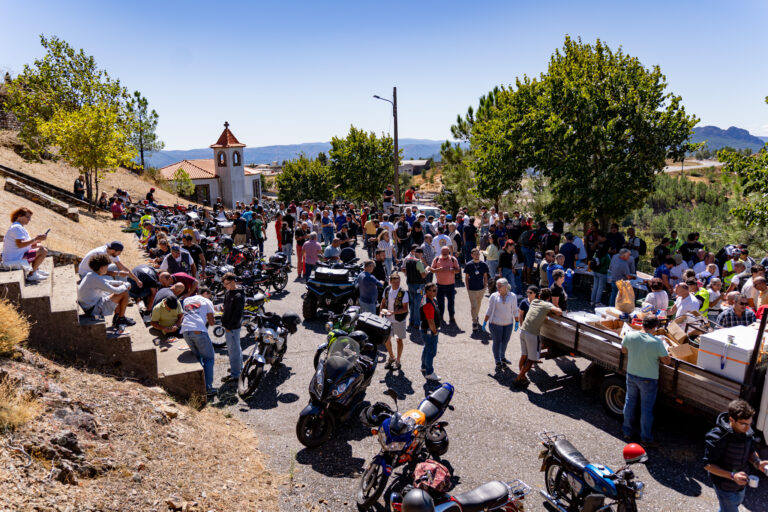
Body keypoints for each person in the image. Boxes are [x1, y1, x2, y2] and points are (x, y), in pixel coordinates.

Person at [703, 399, 768, 512]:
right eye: (743, 424)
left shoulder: (747, 431)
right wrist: (733, 476)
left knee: (729, 507)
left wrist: (757, 462)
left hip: (741, 484)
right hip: (724, 486)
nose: (748, 428)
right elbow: (708, 465)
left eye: (749, 423)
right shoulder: (717, 437)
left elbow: (750, 450)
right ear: (731, 419)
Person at [620, 314, 670, 447]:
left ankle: (627, 431)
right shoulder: (657, 342)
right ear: (655, 327)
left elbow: (624, 350)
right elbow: (666, 360)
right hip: (648, 379)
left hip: (631, 374)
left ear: (642, 324)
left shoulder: (630, 335)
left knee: (630, 403)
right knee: (646, 409)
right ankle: (646, 438)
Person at [516, 288, 562, 386]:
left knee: (524, 355)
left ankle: (522, 376)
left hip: (523, 330)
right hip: (532, 334)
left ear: (539, 296)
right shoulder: (547, 305)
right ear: (549, 298)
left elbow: (538, 312)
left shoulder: (534, 302)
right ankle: (519, 377)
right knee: (531, 359)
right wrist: (556, 307)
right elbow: (559, 312)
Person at [77, 254, 135, 328]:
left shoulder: (91, 274)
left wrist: (122, 283)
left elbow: (107, 282)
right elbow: (116, 291)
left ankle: (117, 316)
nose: (107, 269)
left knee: (120, 287)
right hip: (94, 309)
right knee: (123, 292)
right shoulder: (96, 279)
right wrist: (126, 285)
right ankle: (121, 319)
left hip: (89, 305)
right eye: (106, 267)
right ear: (101, 268)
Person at [180, 287, 217, 395]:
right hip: (198, 331)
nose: (209, 298)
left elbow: (190, 313)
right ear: (205, 293)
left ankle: (199, 386)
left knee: (198, 358)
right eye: (209, 295)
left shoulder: (187, 300)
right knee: (209, 358)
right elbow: (211, 323)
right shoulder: (207, 301)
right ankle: (208, 388)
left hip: (185, 331)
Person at [2, 207, 49, 281]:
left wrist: (39, 240)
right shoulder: (17, 228)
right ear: (19, 216)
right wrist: (35, 239)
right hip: (13, 261)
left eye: (30, 218)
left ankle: (35, 269)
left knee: (39, 246)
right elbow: (20, 244)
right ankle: (32, 274)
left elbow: (28, 244)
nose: (29, 220)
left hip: (15, 257)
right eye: (27, 217)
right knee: (43, 250)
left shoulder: (18, 227)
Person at [483, 278, 519, 370]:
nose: (497, 287)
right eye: (497, 286)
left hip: (508, 324)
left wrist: (517, 322)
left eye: (500, 286)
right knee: (497, 342)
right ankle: (497, 360)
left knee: (505, 341)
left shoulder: (513, 296)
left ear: (506, 286)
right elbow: (489, 310)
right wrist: (485, 322)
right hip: (495, 324)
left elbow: (515, 310)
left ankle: (502, 357)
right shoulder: (494, 296)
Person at [381, 272, 409, 371]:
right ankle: (392, 357)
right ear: (390, 282)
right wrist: (381, 313)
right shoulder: (387, 289)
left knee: (399, 340)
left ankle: (398, 359)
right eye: (394, 282)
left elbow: (405, 309)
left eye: (398, 282)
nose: (397, 284)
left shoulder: (403, 292)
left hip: (399, 320)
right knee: (387, 340)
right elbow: (383, 302)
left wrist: (393, 312)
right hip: (387, 319)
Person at [221, 272, 244, 383]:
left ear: (233, 282)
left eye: (227, 283)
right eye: (224, 284)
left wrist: (229, 326)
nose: (226, 286)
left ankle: (235, 375)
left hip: (233, 327)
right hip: (229, 326)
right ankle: (239, 368)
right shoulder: (229, 292)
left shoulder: (238, 296)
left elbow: (237, 314)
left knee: (233, 351)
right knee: (236, 349)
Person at [431, 246, 460, 325]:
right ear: (441, 252)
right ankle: (441, 317)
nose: (445, 254)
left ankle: (451, 317)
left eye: (446, 253)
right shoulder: (437, 259)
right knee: (440, 303)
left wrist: (452, 270)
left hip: (451, 285)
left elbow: (458, 270)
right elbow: (432, 270)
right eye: (443, 253)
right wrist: (439, 269)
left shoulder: (453, 259)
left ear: (449, 252)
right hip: (440, 285)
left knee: (451, 302)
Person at [420, 283, 442, 381]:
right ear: (427, 291)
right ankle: (429, 372)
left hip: (425, 330)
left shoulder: (428, 299)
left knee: (426, 348)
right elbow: (430, 321)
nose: (435, 292)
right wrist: (435, 331)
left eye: (436, 290)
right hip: (430, 331)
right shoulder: (428, 304)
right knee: (431, 352)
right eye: (433, 290)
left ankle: (424, 366)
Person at [465, 247, 490, 331]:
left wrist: (485, 286)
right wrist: (467, 287)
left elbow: (485, 276)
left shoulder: (483, 264)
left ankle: (476, 316)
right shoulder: (469, 265)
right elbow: (466, 277)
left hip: (481, 289)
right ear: (472, 255)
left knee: (478, 305)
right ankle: (474, 322)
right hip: (472, 289)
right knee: (474, 306)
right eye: (475, 254)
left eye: (478, 254)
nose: (477, 255)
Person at [404, 245, 427, 330]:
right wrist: (427, 271)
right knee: (418, 304)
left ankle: (411, 321)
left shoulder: (408, 260)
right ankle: (417, 323)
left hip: (410, 284)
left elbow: (406, 272)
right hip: (419, 285)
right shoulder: (419, 262)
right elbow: (423, 275)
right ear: (420, 254)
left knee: (412, 303)